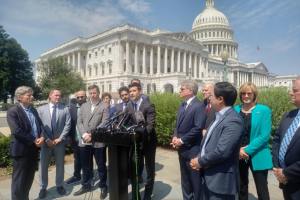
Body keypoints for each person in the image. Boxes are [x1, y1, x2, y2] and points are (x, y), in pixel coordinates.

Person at [190, 82, 243, 200]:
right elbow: (207, 143)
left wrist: (200, 161)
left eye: (211, 96)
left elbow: (222, 151)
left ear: (220, 99)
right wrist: (199, 158)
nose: (209, 98)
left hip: (220, 182)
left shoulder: (233, 121)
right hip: (208, 176)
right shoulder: (218, 116)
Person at [234, 82, 272, 200]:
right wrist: (237, 150)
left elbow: (264, 136)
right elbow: (231, 133)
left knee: (262, 190)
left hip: (258, 154)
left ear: (254, 94)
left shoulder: (264, 110)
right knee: (241, 187)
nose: (246, 96)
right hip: (238, 154)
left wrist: (247, 150)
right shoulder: (235, 109)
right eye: (243, 93)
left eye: (249, 93)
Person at [7, 86, 45, 200]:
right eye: (29, 95)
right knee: (19, 182)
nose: (32, 97)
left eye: (31, 94)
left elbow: (40, 126)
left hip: (33, 150)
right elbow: (17, 131)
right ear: (20, 97)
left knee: (28, 179)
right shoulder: (13, 111)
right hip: (21, 151)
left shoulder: (33, 110)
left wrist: (42, 137)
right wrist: (34, 140)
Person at [171, 80, 207, 200]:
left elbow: (198, 128)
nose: (179, 91)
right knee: (185, 180)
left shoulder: (199, 105)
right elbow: (177, 125)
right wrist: (175, 137)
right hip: (182, 149)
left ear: (190, 91)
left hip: (192, 150)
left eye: (182, 89)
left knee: (195, 181)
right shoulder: (182, 105)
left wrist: (181, 140)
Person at [74, 85, 109, 200]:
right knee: (86, 165)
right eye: (91, 93)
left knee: (101, 165)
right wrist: (84, 134)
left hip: (98, 141)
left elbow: (104, 123)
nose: (92, 95)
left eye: (94, 93)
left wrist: (92, 135)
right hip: (85, 141)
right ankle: (86, 185)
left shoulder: (104, 106)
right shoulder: (83, 106)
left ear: (98, 93)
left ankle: (103, 186)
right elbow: (79, 122)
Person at [37, 89, 71, 199]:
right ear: (50, 96)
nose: (58, 97)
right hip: (45, 143)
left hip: (59, 143)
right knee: (43, 166)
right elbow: (39, 126)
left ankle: (60, 185)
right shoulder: (41, 109)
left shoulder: (65, 109)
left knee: (60, 165)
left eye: (59, 95)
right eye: (56, 95)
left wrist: (60, 139)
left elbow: (68, 125)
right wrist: (47, 140)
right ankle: (43, 187)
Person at [272, 76, 300, 200]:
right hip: (285, 181)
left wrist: (286, 173)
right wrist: (278, 168)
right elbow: (277, 140)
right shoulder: (288, 115)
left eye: (294, 90)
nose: (290, 93)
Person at [128, 82, 157, 200]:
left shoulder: (148, 105)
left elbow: (150, 125)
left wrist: (140, 133)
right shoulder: (129, 106)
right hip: (135, 144)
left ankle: (148, 195)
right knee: (135, 168)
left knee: (150, 169)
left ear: (140, 91)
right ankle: (136, 195)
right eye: (130, 92)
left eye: (134, 91)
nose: (131, 93)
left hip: (148, 142)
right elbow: (127, 122)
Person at [65, 90, 87, 185]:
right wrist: (69, 138)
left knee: (87, 160)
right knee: (77, 158)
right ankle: (77, 176)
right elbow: (69, 124)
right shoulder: (72, 108)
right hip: (76, 138)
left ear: (85, 97)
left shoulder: (90, 107)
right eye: (78, 97)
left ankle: (87, 178)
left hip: (87, 139)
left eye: (82, 97)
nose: (80, 99)